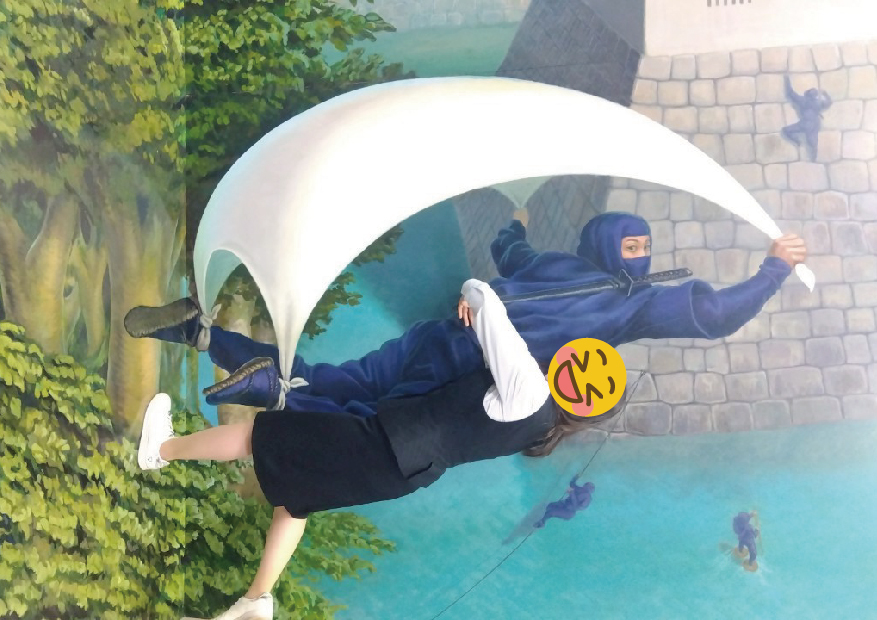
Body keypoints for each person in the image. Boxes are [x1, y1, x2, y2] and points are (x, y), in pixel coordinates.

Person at [139, 278, 614, 620]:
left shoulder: (530, 388)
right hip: (408, 472)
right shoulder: (540, 429)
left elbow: (486, 300)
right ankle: (256, 601)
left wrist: (470, 294)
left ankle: (162, 448)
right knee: (298, 501)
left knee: (259, 436)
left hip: (387, 438)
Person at [125, 212, 808, 414]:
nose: (640, 257)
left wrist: (514, 219)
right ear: (606, 245)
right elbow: (717, 316)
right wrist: (774, 267)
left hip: (441, 336)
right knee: (360, 411)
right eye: (630, 246)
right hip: (461, 366)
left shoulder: (566, 266)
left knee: (343, 381)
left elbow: (509, 249)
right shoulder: (634, 303)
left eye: (643, 249)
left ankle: (203, 335)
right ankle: (269, 391)